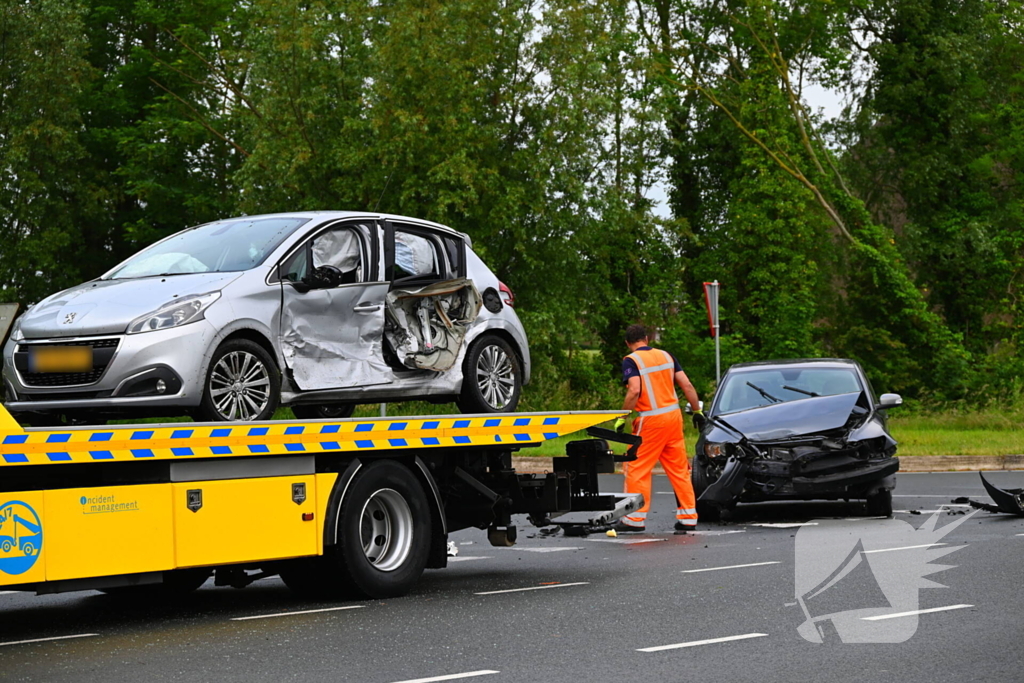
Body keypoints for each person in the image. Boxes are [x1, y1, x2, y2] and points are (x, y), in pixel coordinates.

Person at [612, 324, 705, 533]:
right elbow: (687, 385)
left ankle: (634, 519)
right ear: (647, 338)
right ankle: (689, 517)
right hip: (674, 419)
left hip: (651, 421)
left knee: (636, 467)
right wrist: (697, 411)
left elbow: (634, 390)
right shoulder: (666, 356)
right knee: (679, 469)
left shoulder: (631, 360)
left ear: (628, 343)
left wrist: (622, 417)